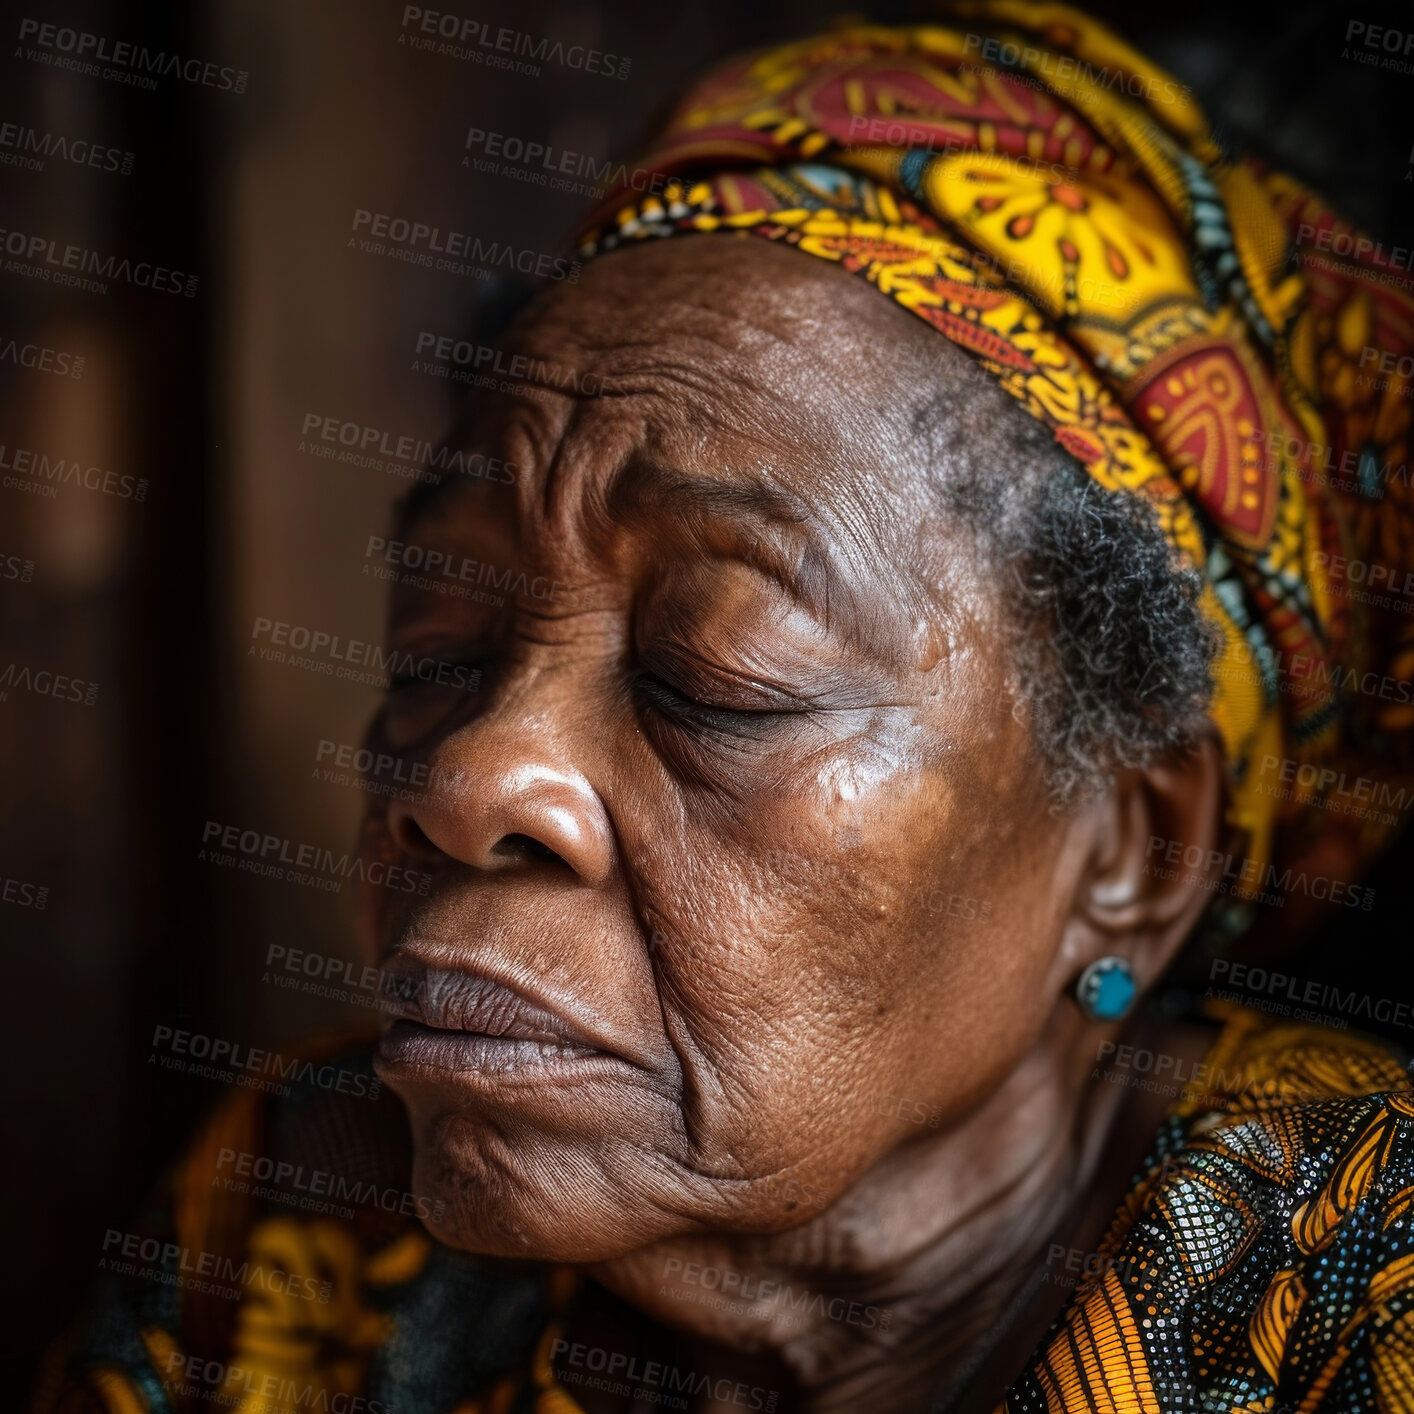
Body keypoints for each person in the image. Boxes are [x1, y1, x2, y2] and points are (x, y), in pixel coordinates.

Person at [33, 6, 1414, 1411]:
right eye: (439, 646)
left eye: (716, 680)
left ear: (1132, 853)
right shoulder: (298, 1215)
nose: (470, 777)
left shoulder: (1358, 1280)